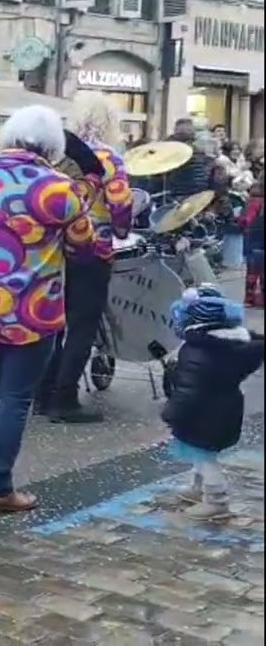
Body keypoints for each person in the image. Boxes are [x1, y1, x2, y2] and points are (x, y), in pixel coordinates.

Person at [0, 105, 89, 513]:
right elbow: (84, 244)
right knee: (14, 398)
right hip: (32, 311)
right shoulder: (58, 188)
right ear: (51, 146)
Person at [37, 92, 132, 423]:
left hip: (51, 248)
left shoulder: (58, 155)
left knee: (52, 322)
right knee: (83, 322)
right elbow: (120, 203)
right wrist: (121, 231)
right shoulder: (109, 158)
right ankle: (65, 399)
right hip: (92, 249)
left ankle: (42, 393)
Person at [163, 285, 263, 520]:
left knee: (205, 458)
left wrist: (171, 412)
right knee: (201, 454)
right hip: (225, 408)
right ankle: (197, 489)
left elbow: (189, 389)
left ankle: (216, 500)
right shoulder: (234, 346)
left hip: (202, 414)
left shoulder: (198, 351)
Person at [241, 180, 264, 308]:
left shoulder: (252, 201)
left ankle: (249, 298)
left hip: (254, 238)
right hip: (258, 237)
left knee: (252, 269)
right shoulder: (256, 201)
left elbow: (246, 220)